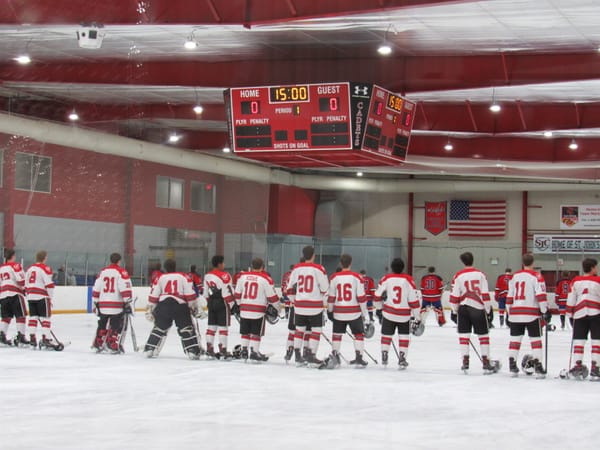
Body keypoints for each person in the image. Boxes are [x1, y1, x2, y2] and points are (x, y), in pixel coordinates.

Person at [143, 258, 205, 359]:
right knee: (186, 328)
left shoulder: (160, 278)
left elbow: (153, 296)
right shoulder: (183, 276)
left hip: (164, 305)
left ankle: (150, 348)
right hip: (180, 306)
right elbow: (190, 295)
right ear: (175, 266)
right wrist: (194, 308)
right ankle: (192, 351)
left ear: (165, 268)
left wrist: (149, 309)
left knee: (159, 327)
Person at [449, 251, 498, 374]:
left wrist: (454, 311)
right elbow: (485, 294)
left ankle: (465, 361)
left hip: (464, 308)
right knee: (483, 336)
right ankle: (486, 361)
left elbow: (454, 296)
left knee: (464, 336)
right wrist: (488, 309)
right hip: (478, 308)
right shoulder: (480, 275)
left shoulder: (458, 276)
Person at [505, 253, 549, 377]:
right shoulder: (536, 276)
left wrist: (508, 313)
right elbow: (541, 295)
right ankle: (538, 366)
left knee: (515, 340)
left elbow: (509, 296)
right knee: (535, 340)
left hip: (515, 313)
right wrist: (545, 311)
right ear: (533, 262)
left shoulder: (514, 276)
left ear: (523, 263)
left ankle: (512, 364)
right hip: (531, 313)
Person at [322, 254, 369, 369]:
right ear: (350, 263)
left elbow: (331, 297)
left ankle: (335, 355)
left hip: (339, 313)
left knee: (337, 335)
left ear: (341, 263)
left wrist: (330, 310)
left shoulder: (334, 277)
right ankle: (359, 357)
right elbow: (361, 298)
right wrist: (365, 314)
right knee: (358, 334)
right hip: (354, 312)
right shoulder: (357, 277)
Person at [374, 258, 421, 368]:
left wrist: (379, 309)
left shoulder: (386, 278)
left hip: (389, 313)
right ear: (403, 267)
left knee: (386, 335)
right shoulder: (408, 280)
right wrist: (417, 317)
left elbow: (377, 296)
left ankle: (384, 353)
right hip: (404, 315)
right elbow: (414, 301)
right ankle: (402, 357)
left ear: (392, 267)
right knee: (404, 336)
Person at [286, 246, 329, 366]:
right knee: (316, 331)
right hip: (315, 306)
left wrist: (294, 301)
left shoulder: (296, 268)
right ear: (314, 255)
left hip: (299, 305)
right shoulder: (319, 268)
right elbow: (325, 289)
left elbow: (289, 288)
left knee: (299, 330)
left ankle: (298, 355)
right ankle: (311, 355)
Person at [233, 257, 280, 362]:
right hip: (258, 310)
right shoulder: (265, 279)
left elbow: (236, 295)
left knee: (245, 332)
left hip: (244, 309)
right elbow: (272, 297)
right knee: (256, 333)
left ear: (252, 266)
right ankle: (254, 352)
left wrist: (240, 305)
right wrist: (278, 308)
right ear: (262, 267)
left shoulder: (242, 277)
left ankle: (244, 351)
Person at [91, 253, 133, 353]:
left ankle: (98, 342)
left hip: (103, 304)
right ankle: (112, 343)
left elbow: (96, 288)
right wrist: (127, 302)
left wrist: (95, 302)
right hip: (116, 305)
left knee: (102, 324)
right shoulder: (122, 272)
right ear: (119, 261)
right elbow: (125, 288)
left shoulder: (103, 272)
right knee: (116, 325)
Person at [566, 258, 600, 379]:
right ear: (592, 268)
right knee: (597, 342)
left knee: (579, 341)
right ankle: (596, 368)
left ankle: (578, 365)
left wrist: (569, 314)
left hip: (579, 314)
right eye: (596, 266)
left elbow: (571, 298)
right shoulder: (598, 280)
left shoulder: (575, 281)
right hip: (596, 313)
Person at [25, 250, 60, 349]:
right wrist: (50, 298)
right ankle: (46, 339)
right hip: (41, 296)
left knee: (33, 317)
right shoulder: (45, 268)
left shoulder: (30, 268)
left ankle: (32, 338)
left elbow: (26, 284)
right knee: (45, 318)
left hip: (31, 296)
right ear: (44, 258)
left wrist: (29, 294)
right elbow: (49, 285)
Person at [203, 255, 234, 359]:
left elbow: (205, 294)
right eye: (223, 263)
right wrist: (232, 305)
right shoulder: (225, 275)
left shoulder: (207, 275)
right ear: (220, 264)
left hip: (211, 302)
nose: (224, 265)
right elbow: (228, 292)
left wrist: (209, 303)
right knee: (223, 328)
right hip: (222, 303)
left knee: (211, 327)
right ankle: (223, 349)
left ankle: (209, 348)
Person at [0, 248, 28, 346]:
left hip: (3, 295)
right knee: (21, 315)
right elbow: (21, 281)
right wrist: (25, 289)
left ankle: (1, 335)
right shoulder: (16, 265)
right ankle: (21, 336)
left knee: (6, 317)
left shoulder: (1, 267)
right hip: (15, 294)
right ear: (12, 256)